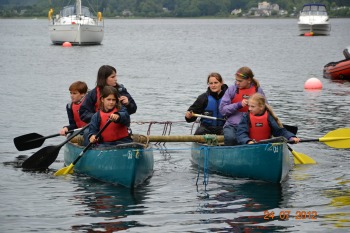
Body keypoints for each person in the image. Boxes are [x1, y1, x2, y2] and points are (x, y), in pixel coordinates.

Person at [219, 66, 266, 146]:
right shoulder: (232, 90)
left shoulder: (258, 90)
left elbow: (265, 108)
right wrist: (239, 104)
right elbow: (223, 110)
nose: (237, 83)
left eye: (240, 81)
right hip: (232, 125)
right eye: (236, 80)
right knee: (231, 138)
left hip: (251, 125)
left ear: (249, 80)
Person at [236, 93, 300, 144]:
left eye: (252, 106)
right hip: (250, 147)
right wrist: (248, 141)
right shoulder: (246, 117)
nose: (249, 109)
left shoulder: (269, 117)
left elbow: (280, 131)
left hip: (266, 146)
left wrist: (291, 137)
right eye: (249, 106)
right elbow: (241, 133)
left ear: (261, 107)